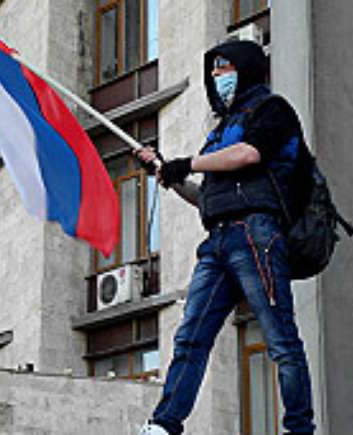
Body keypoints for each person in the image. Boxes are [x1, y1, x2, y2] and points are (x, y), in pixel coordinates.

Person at [135, 39, 316, 435]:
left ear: (246, 68)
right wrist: (168, 173)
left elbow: (249, 154)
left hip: (255, 233)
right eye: (214, 71)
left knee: (280, 339)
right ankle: (165, 424)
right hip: (216, 240)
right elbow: (207, 197)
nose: (217, 77)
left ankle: (300, 428)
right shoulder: (220, 132)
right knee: (190, 338)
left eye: (224, 68)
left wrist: (188, 163)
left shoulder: (273, 110)